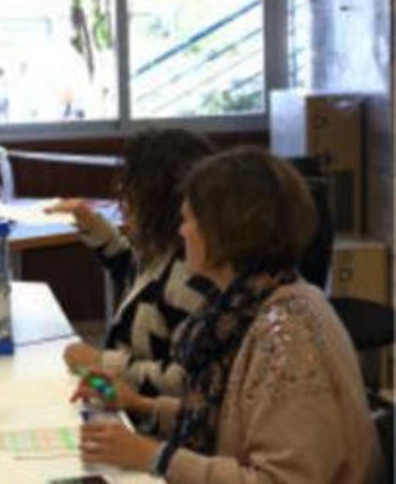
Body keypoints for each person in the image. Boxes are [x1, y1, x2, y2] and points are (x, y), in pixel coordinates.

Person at [72, 147, 381, 483]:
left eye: (189, 219)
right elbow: (223, 415)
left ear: (225, 231)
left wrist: (154, 456)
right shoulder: (244, 305)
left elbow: (281, 479)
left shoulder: (287, 332)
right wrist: (137, 403)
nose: (182, 231)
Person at [47, 129, 215, 398]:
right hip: (123, 399)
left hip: (149, 418)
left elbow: (184, 383)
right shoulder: (164, 250)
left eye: (130, 190)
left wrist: (101, 362)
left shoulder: (192, 275)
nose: (122, 198)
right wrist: (91, 223)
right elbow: (132, 272)